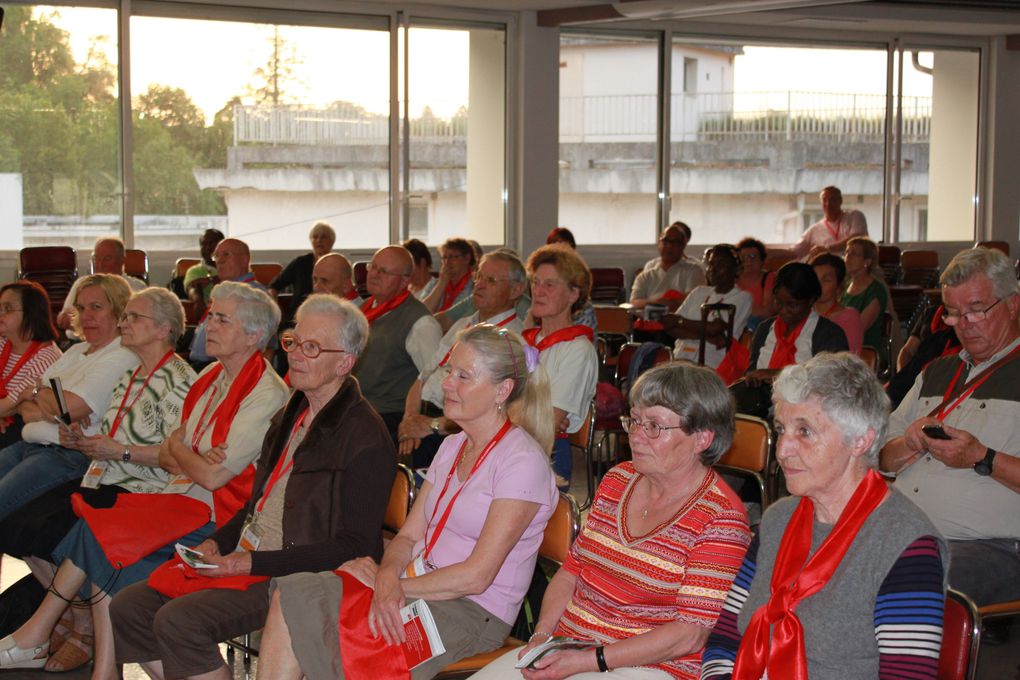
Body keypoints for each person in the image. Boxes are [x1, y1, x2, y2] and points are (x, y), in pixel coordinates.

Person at [110, 294, 394, 680]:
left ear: (344, 361)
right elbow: (255, 505)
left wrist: (249, 562)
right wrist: (219, 542)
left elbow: (356, 548)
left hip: (295, 574)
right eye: (294, 342)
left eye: (312, 348)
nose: (295, 355)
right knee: (130, 607)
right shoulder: (291, 413)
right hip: (251, 555)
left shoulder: (365, 437)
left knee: (180, 622)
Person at [255, 324, 559, 680]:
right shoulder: (453, 445)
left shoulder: (521, 462)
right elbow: (407, 537)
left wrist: (391, 587)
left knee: (353, 642)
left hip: (469, 613)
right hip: (415, 584)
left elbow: (476, 577)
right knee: (293, 595)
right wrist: (385, 576)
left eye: (464, 376)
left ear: (502, 391)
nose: (447, 383)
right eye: (449, 371)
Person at [473, 362, 751, 680]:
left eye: (654, 427)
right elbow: (572, 571)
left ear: (702, 439)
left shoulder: (721, 518)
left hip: (648, 667)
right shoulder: (618, 479)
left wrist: (591, 661)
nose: (636, 436)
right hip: (572, 649)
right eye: (634, 421)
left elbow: (690, 633)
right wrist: (543, 638)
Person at [702, 353, 946, 680]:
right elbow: (726, 636)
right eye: (781, 429)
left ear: (861, 440)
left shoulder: (905, 545)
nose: (783, 448)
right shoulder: (778, 520)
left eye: (805, 431)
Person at [0, 287, 196, 674]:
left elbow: (174, 456)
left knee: (66, 526)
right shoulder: (130, 376)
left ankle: (67, 630)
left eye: (133, 317)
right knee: (21, 522)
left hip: (143, 486)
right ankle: (70, 624)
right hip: (104, 475)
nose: (124, 323)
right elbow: (100, 430)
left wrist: (115, 451)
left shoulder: (180, 380)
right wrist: (86, 442)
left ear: (163, 329)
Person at [880, 247, 1020, 607]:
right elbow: (880, 456)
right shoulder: (935, 372)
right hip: (902, 531)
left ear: (1013, 304)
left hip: (989, 547)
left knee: (900, 581)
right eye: (954, 314)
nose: (963, 324)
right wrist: (907, 444)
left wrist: (982, 457)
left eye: (976, 310)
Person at [0, 274, 139, 516]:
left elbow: (68, 409)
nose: (87, 316)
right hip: (30, 444)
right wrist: (50, 402)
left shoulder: (121, 354)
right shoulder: (76, 350)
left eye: (97, 307)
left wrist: (35, 394)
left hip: (65, 455)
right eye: (82, 308)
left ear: (119, 311)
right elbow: (27, 412)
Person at [399, 250, 527, 468]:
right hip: (425, 420)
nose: (479, 285)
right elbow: (422, 378)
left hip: (455, 429)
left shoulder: (512, 342)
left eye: (491, 280)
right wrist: (410, 421)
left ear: (516, 290)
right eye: (479, 277)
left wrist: (431, 425)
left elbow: (494, 412)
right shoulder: (462, 325)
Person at [731, 263, 848, 419]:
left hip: (811, 415)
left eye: (793, 305)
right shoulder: (765, 329)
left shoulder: (829, 334)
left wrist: (779, 374)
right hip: (761, 410)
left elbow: (834, 384)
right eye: (779, 302)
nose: (783, 310)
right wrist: (753, 378)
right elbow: (752, 372)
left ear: (811, 300)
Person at [525, 244, 598, 488]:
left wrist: (505, 411)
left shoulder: (577, 350)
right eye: (535, 282)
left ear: (573, 294)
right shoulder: (523, 341)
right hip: (510, 445)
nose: (538, 291)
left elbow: (548, 423)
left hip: (547, 457)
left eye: (550, 284)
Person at [353, 246, 443, 442]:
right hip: (357, 408)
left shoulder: (420, 324)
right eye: (373, 267)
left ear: (404, 281)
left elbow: (435, 382)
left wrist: (412, 420)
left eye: (384, 271)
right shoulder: (365, 308)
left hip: (386, 417)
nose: (374, 275)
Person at [664, 244, 752, 370]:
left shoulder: (742, 297)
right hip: (681, 356)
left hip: (712, 363)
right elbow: (668, 325)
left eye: (720, 265)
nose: (712, 269)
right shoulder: (699, 292)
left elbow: (714, 329)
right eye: (711, 264)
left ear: (736, 270)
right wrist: (709, 335)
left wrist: (680, 322)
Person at [189, 238, 267, 366]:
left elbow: (265, 349)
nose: (219, 260)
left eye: (226, 254)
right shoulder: (225, 292)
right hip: (204, 365)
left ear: (244, 260)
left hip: (223, 368)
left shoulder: (255, 297)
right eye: (217, 256)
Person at [0, 281, 63, 428]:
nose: (1, 314)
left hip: (22, 432)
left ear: (30, 312)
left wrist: (7, 411)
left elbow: (8, 406)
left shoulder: (46, 358)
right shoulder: (3, 342)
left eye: (7, 309)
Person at [56, 238, 146, 332]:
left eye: (107, 259)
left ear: (122, 260)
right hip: (81, 339)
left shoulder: (137, 288)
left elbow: (140, 323)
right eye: (97, 259)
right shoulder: (82, 284)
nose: (100, 264)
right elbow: (64, 319)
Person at [269, 221, 336, 324]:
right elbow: (273, 287)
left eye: (323, 237)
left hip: (328, 320)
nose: (319, 240)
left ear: (332, 241)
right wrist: (277, 312)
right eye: (315, 237)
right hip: (296, 322)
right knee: (286, 339)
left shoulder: (337, 264)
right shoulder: (300, 263)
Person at [630, 222, 706, 311]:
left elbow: (695, 300)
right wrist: (656, 303)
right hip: (650, 321)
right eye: (666, 241)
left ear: (683, 245)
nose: (669, 246)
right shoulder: (645, 275)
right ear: (659, 243)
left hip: (682, 322)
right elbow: (634, 302)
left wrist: (673, 303)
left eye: (675, 242)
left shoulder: (694, 270)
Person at [787, 186, 868, 261]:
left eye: (832, 200)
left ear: (840, 201)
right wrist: (775, 253)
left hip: (855, 267)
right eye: (824, 200)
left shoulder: (855, 215)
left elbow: (856, 240)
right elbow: (794, 251)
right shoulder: (814, 229)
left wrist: (827, 249)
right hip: (830, 271)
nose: (828, 204)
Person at [841, 237, 888, 361]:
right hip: (843, 348)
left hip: (865, 353)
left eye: (854, 254)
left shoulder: (875, 291)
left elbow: (858, 329)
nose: (847, 257)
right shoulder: (845, 286)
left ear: (867, 261)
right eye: (846, 252)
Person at [811, 253, 864, 355]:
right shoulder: (803, 313)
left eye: (826, 280)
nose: (817, 285)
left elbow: (847, 363)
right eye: (814, 279)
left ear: (839, 286)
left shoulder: (849, 317)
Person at [421, 238, 477, 313]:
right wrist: (441, 284)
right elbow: (422, 313)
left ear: (467, 258)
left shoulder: (475, 285)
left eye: (452, 257)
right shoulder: (434, 284)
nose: (447, 262)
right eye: (444, 258)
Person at [735, 237, 776, 333]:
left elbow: (767, 312)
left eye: (753, 256)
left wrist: (739, 308)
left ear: (762, 260)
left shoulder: (769, 277)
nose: (748, 261)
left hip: (758, 325)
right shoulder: (734, 279)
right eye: (744, 257)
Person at [183, 228, 226, 305]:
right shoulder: (194, 271)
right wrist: (198, 302)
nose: (208, 247)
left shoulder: (234, 266)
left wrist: (211, 280)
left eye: (212, 243)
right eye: (204, 244)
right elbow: (193, 290)